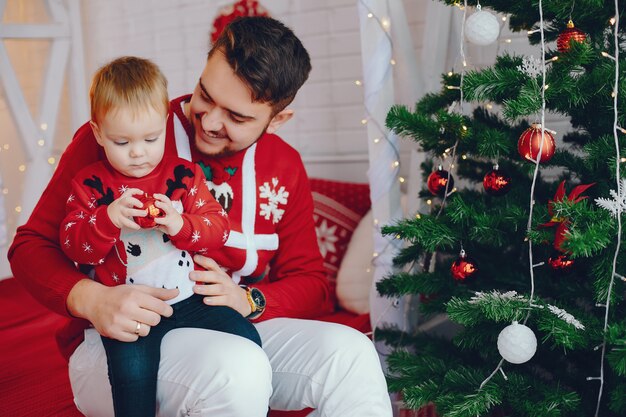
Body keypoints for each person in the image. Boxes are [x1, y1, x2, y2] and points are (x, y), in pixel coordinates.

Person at [9, 16, 392, 416]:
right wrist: (90, 298)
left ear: (277, 120)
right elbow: (29, 246)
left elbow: (311, 282)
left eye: (237, 117)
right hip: (121, 336)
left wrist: (249, 300)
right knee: (235, 367)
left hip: (227, 323)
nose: (208, 122)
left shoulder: (284, 166)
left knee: (351, 354)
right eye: (204, 96)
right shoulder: (126, 136)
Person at [60, 56, 262, 417]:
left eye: (151, 138)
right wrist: (106, 220)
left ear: (166, 126)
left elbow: (218, 228)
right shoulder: (91, 185)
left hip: (190, 299)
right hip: (130, 309)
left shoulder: (183, 176)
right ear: (98, 132)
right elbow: (75, 246)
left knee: (248, 340)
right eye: (122, 141)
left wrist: (180, 223)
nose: (138, 153)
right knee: (132, 382)